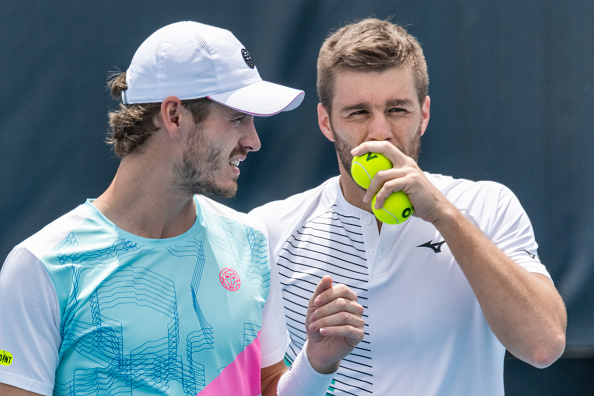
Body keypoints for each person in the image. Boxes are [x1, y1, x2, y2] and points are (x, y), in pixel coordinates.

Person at [0, 21, 365, 396]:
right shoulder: (39, 268)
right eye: (238, 118)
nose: (253, 140)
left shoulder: (252, 244)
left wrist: (317, 365)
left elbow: (269, 387)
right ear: (174, 115)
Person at [250, 18, 567, 395]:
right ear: (326, 122)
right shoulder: (269, 231)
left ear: (425, 114)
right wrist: (315, 363)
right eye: (358, 112)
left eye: (398, 110)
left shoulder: (487, 206)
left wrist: (442, 214)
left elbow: (543, 345)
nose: (380, 131)